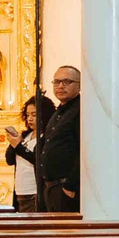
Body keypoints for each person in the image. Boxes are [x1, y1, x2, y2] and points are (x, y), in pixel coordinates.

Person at [37, 65, 82, 213]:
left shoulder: (80, 110)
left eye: (67, 82)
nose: (60, 86)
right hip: (51, 188)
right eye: (56, 82)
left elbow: (85, 150)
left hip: (67, 188)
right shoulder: (58, 113)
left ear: (80, 85)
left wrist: (70, 185)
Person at [2, 94, 53, 211]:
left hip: (35, 191)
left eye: (34, 115)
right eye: (27, 115)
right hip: (20, 190)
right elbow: (9, 160)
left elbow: (38, 160)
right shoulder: (25, 135)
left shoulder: (46, 136)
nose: (30, 119)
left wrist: (19, 146)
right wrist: (13, 143)